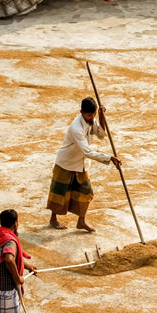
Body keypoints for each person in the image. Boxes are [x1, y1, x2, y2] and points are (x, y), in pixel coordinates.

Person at [47, 96, 121, 232]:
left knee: (86, 192)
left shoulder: (92, 119)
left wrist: (101, 116)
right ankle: (53, 219)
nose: (91, 117)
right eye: (89, 114)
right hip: (66, 162)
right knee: (59, 192)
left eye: (93, 114)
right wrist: (109, 158)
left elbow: (101, 134)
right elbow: (87, 152)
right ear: (81, 112)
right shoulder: (76, 128)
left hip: (80, 164)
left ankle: (81, 221)